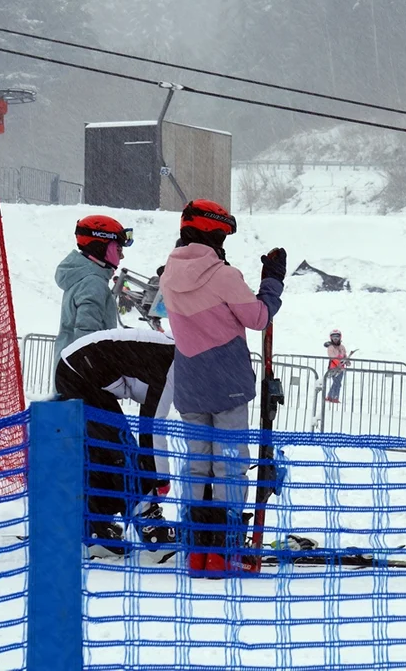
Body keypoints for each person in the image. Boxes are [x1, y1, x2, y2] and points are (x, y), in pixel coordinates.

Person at [158, 199, 285, 574]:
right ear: (214, 234)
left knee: (197, 465)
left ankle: (196, 546)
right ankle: (225, 546)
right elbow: (258, 317)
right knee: (229, 465)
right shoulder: (223, 276)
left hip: (189, 381)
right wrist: (272, 281)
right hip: (227, 381)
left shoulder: (168, 275)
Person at [54, 327, 177, 555]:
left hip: (77, 368)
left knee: (104, 453)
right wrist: (159, 479)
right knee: (122, 452)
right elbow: (151, 426)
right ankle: (149, 527)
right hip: (79, 372)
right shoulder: (174, 365)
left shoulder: (172, 354)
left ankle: (95, 528)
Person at [53, 215, 132, 366]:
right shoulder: (93, 282)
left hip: (68, 372)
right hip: (81, 378)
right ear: (100, 246)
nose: (121, 256)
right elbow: (87, 339)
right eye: (118, 248)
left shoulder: (83, 277)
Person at [324, 329, 349, 403]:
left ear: (340, 337)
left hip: (341, 368)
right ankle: (333, 397)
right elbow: (332, 357)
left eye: (337, 337)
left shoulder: (342, 347)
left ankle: (332, 396)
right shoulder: (331, 347)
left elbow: (344, 355)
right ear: (331, 338)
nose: (335, 339)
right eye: (333, 337)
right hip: (333, 368)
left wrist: (347, 361)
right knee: (337, 382)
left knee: (337, 383)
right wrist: (339, 362)